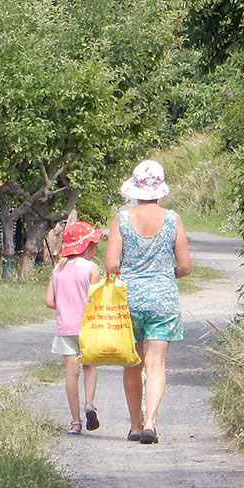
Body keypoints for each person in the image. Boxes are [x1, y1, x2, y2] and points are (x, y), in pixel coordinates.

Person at [104, 159, 192, 444]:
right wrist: (168, 274)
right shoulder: (172, 219)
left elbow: (111, 264)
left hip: (129, 299)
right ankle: (151, 422)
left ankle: (134, 425)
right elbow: (186, 266)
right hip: (163, 298)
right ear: (159, 189)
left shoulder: (122, 218)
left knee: (133, 364)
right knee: (156, 365)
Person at [45, 219, 103, 434]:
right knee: (90, 366)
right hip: (88, 327)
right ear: (86, 247)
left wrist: (66, 309)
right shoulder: (91, 269)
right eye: (93, 246)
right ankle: (89, 404)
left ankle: (75, 421)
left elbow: (50, 301)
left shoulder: (58, 269)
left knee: (71, 372)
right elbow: (96, 300)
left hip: (65, 327)